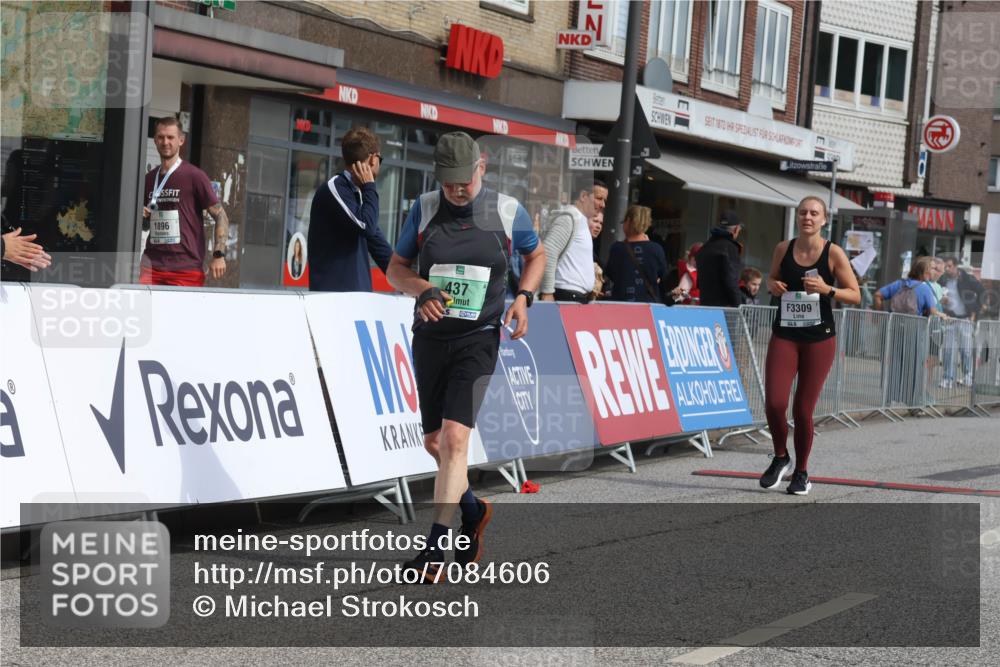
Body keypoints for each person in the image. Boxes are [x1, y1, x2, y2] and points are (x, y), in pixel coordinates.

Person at [385, 132, 545, 580]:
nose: (457, 190)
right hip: (432, 337)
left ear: (483, 167)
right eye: (449, 182)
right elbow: (396, 268)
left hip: (479, 337)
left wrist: (524, 297)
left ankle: (435, 548)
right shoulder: (425, 208)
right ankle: (472, 511)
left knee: (456, 440)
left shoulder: (508, 211)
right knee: (435, 443)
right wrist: (422, 289)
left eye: (465, 182)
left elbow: (536, 255)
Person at [759, 196, 860, 496]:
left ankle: (802, 471)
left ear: (824, 219)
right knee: (775, 402)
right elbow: (772, 278)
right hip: (785, 335)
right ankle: (781, 458)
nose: (807, 217)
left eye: (814, 213)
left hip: (818, 339)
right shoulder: (783, 248)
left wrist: (827, 289)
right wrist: (771, 285)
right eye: (803, 212)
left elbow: (855, 294)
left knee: (803, 409)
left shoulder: (833, 253)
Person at [141, 116, 229, 287]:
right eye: (160, 137)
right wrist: (143, 217)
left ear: (181, 140)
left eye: (170, 137)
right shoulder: (149, 179)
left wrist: (219, 254)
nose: (165, 142)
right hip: (151, 265)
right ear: (154, 140)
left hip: (185, 268)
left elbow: (221, 215)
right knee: (145, 312)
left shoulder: (194, 176)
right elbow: (145, 226)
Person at [308, 126, 392, 292]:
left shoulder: (357, 194)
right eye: (380, 160)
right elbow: (366, 226)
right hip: (333, 300)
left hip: (356, 300)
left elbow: (379, 247)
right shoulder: (334, 189)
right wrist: (370, 186)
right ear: (373, 159)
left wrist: (414, 284)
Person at [539, 179, 607, 303]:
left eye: (604, 200)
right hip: (567, 296)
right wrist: (547, 292)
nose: (603, 205)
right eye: (599, 198)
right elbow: (548, 252)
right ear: (583, 196)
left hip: (575, 297)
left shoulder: (580, 220)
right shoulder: (569, 218)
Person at [604, 205, 667, 303]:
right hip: (648, 307)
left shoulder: (617, 249)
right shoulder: (656, 249)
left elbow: (611, 274)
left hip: (621, 304)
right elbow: (662, 276)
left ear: (628, 221)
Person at [938, 255, 983, 387]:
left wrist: (975, 311)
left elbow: (982, 291)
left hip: (965, 319)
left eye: (949, 266)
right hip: (949, 319)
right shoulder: (943, 279)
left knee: (966, 350)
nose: (947, 269)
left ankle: (968, 377)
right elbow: (936, 294)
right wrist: (941, 300)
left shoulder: (967, 278)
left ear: (956, 266)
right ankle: (948, 378)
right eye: (945, 267)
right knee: (948, 350)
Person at [695, 210, 744, 307]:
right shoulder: (730, 248)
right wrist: (738, 306)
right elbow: (731, 282)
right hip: (724, 309)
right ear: (736, 229)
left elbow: (699, 283)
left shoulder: (705, 248)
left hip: (705, 305)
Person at [873, 256, 941, 317]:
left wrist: (881, 317)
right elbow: (933, 313)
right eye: (933, 268)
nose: (935, 272)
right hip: (915, 328)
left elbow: (877, 295)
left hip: (893, 327)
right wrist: (942, 315)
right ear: (925, 271)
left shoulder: (899, 284)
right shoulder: (925, 288)